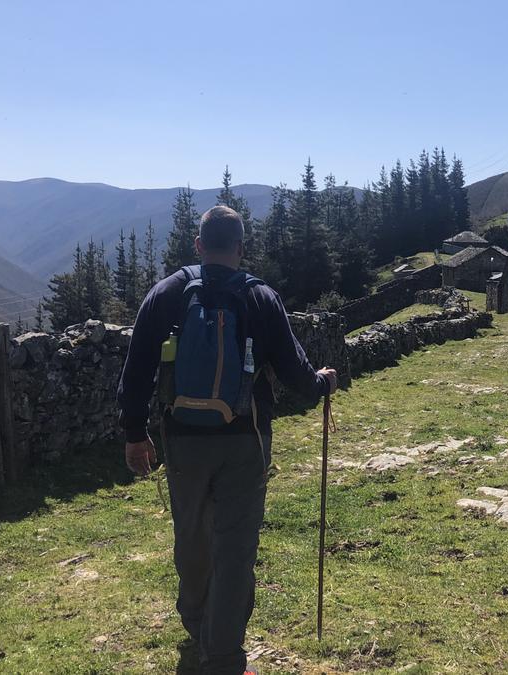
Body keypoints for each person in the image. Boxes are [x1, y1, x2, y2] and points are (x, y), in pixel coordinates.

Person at [117, 205, 337, 674]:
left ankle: (197, 621)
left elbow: (135, 373)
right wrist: (324, 383)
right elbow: (296, 373)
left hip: (182, 442)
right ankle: (223, 657)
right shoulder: (260, 298)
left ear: (198, 245)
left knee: (191, 534)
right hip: (245, 442)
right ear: (240, 247)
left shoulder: (167, 293)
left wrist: (135, 436)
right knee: (235, 547)